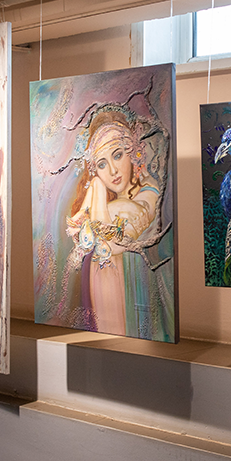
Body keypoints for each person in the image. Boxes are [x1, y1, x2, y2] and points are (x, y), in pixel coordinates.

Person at [66, 110, 160, 335]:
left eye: (117, 155)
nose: (113, 171)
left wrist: (96, 189)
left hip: (138, 300)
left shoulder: (149, 191)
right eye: (101, 164)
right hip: (108, 296)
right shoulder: (109, 204)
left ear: (133, 151)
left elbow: (110, 243)